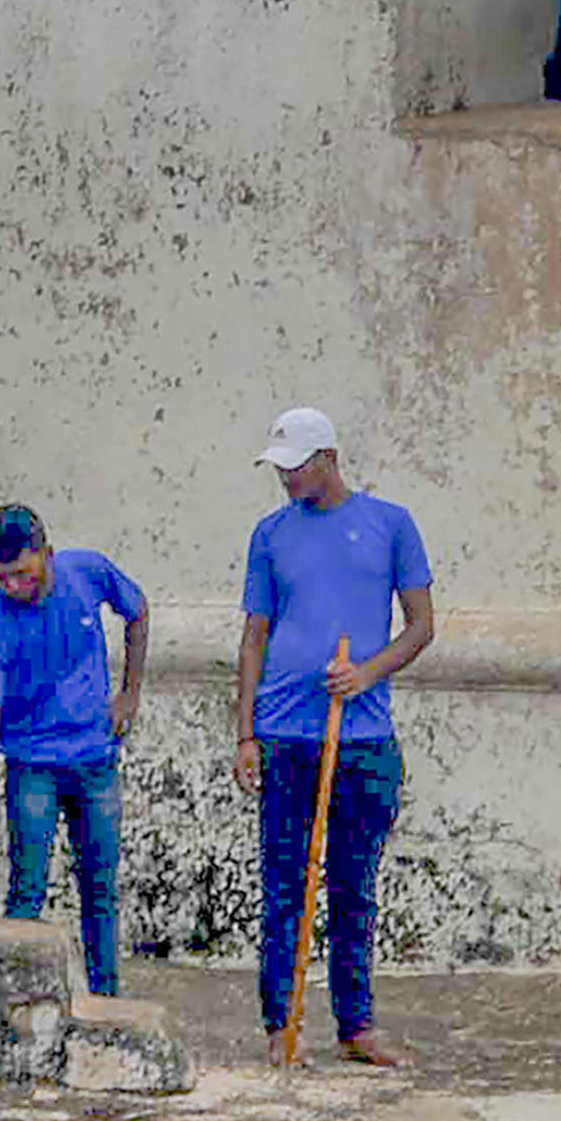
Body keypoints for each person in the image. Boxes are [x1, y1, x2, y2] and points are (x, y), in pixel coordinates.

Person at [232, 408, 436, 1067]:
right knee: (285, 881)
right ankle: (279, 1023)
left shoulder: (390, 524)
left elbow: (421, 624)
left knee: (354, 883)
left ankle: (357, 1024)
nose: (287, 477)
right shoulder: (269, 535)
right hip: (287, 733)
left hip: (363, 736)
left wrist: (367, 671)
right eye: (280, 467)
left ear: (329, 457)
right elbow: (255, 635)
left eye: (297, 465)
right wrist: (245, 733)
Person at [0, 502, 147, 997]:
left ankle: (106, 998)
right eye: (3, 578)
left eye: (22, 573)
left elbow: (137, 610)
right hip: (32, 767)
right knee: (27, 889)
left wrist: (131, 692)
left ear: (48, 555)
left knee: (100, 889)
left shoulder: (88, 572)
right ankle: (18, 999)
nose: (14, 587)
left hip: (95, 760)